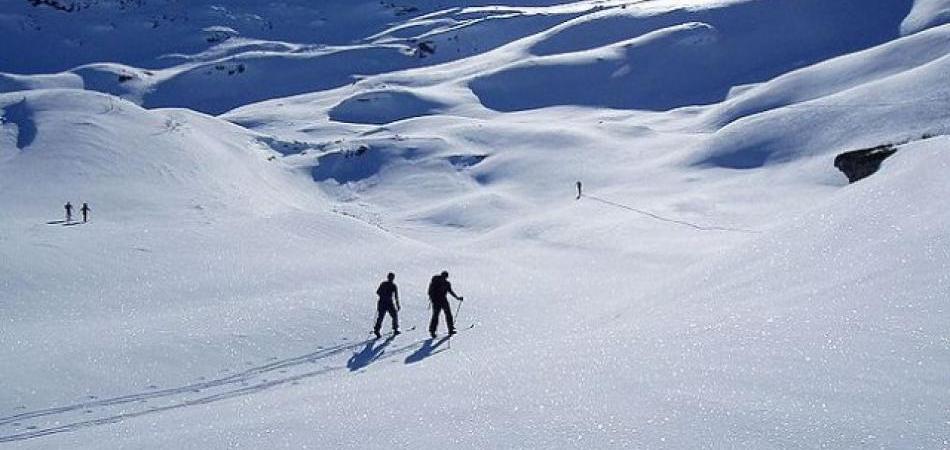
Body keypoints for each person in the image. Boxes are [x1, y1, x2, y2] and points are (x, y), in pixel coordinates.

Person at [428, 270, 463, 338]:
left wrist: (457, 298)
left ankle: (434, 330)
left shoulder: (443, 283)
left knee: (439, 315)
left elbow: (450, 291)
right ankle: (448, 329)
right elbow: (450, 292)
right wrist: (457, 298)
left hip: (439, 300)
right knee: (442, 315)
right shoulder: (441, 282)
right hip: (440, 300)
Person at [373, 272, 400, 338]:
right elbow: (378, 292)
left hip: (385, 302)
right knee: (383, 316)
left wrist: (397, 304)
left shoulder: (386, 284)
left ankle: (378, 330)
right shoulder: (392, 285)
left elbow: (378, 292)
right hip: (385, 302)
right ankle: (377, 330)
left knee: (388, 316)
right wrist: (397, 304)